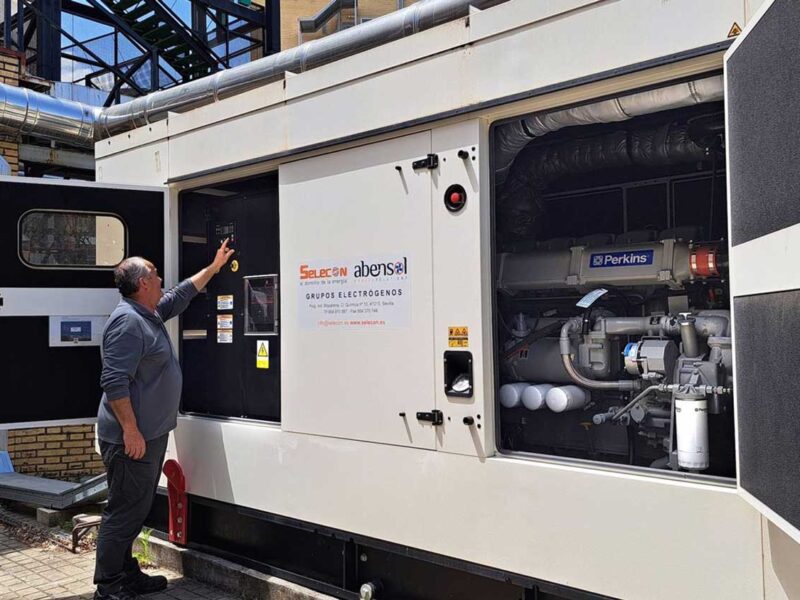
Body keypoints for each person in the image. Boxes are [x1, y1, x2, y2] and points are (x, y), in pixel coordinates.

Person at [93, 240, 234, 600]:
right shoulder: (127, 322)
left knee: (134, 507)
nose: (160, 279)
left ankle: (126, 573)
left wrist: (215, 266)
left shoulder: (148, 312)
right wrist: (131, 430)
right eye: (155, 274)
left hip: (146, 434)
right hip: (132, 438)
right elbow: (113, 381)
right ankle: (108, 586)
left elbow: (180, 295)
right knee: (124, 511)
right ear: (142, 284)